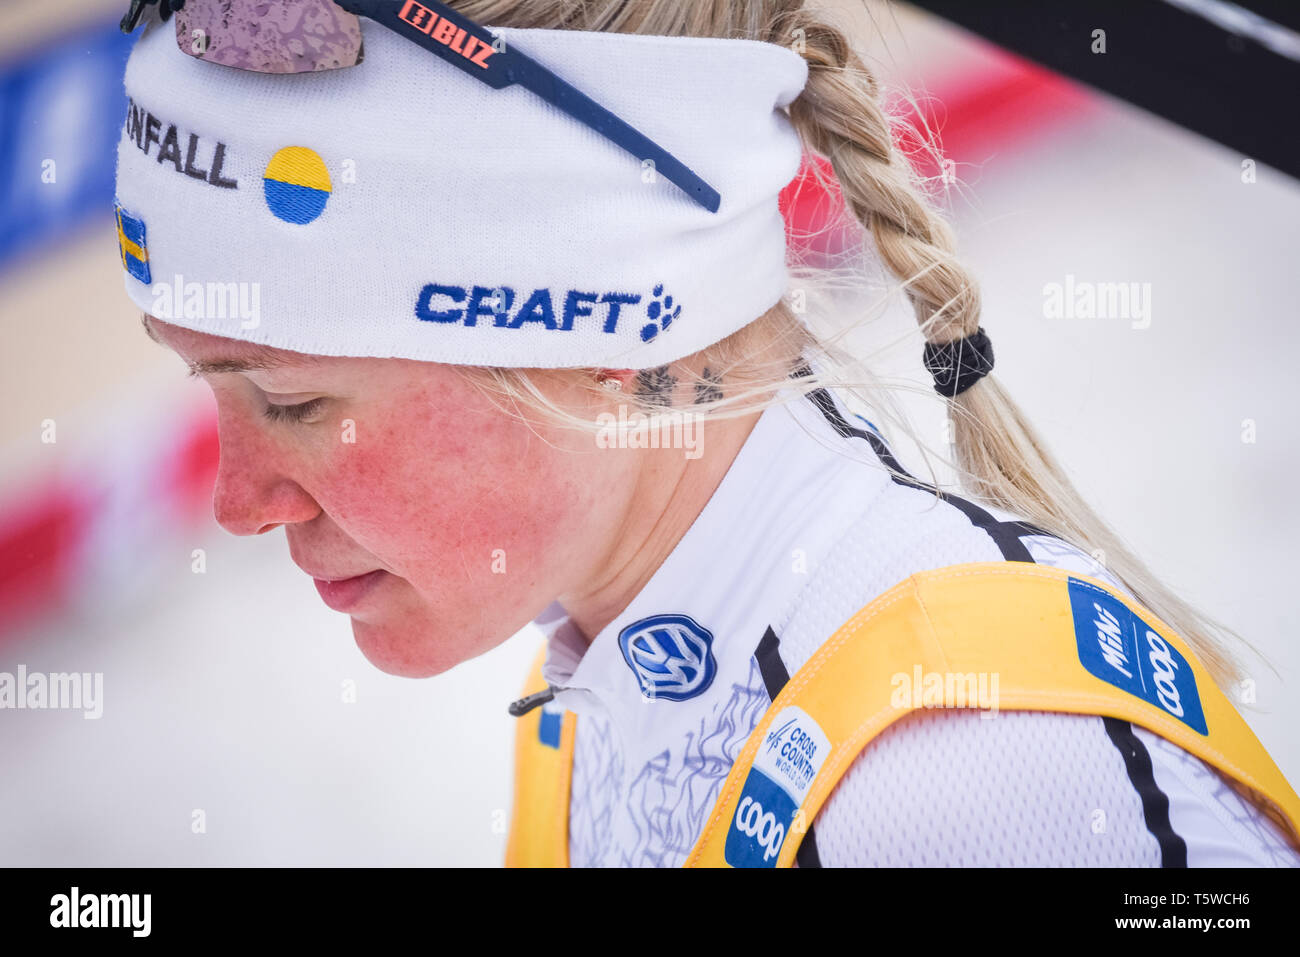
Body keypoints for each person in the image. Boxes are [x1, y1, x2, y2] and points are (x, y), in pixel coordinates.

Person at [115, 0, 1300, 867]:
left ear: (595, 318)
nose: (238, 500)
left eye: (294, 403)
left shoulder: (972, 776)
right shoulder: (610, 670)